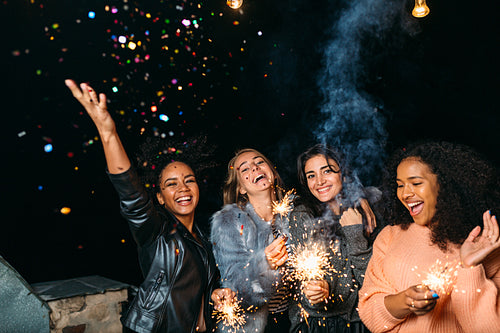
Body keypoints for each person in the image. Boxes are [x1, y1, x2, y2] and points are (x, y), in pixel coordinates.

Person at [65, 79, 227, 333]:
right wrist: (108, 133)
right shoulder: (156, 230)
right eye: (171, 184)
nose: (183, 188)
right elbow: (131, 194)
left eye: (189, 180)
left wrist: (215, 295)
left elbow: (197, 290)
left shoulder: (204, 239)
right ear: (160, 197)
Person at [358, 141, 500, 332]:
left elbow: (490, 328)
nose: (406, 193)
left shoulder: (484, 246)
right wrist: (404, 301)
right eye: (400, 185)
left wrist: (470, 268)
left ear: (444, 184)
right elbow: (368, 311)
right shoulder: (389, 236)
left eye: (416, 183)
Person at [288, 143, 377, 332]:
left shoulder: (369, 211)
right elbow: (309, 297)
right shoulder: (302, 217)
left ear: (343, 175)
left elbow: (373, 283)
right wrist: (316, 292)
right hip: (316, 324)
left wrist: (355, 233)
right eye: (311, 175)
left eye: (326, 171)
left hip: (364, 322)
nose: (319, 181)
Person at [210, 148, 290, 332]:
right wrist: (265, 265)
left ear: (273, 173)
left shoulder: (294, 214)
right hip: (254, 326)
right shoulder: (228, 222)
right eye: (244, 169)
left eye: (259, 162)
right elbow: (238, 290)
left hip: (295, 320)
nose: (254, 168)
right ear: (241, 188)